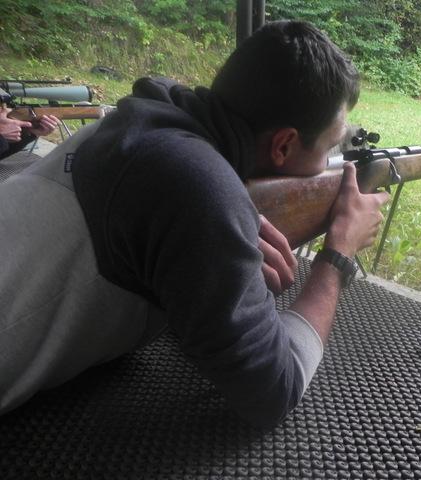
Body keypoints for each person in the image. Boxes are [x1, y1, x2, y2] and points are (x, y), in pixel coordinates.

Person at [0, 21, 389, 427]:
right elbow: (274, 390)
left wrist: (225, 235)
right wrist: (338, 255)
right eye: (329, 148)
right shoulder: (199, 189)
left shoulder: (139, 124)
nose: (329, 161)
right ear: (284, 145)